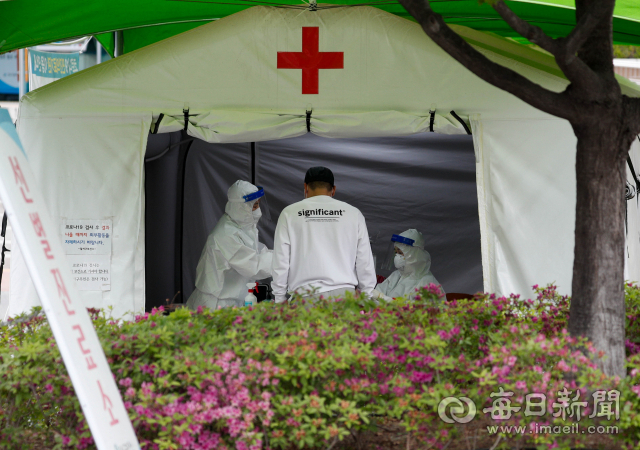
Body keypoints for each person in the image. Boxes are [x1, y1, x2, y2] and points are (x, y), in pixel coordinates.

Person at [271, 166, 377, 303]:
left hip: (305, 298)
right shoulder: (353, 213)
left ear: (306, 187)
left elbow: (281, 260)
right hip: (345, 298)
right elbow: (364, 260)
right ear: (333, 189)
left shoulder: (289, 213)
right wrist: (367, 295)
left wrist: (279, 298)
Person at [186, 180, 273, 310]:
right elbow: (253, 266)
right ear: (241, 207)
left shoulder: (239, 226)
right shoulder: (226, 234)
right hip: (216, 304)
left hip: (230, 300)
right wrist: (284, 257)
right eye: (254, 206)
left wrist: (279, 253)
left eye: (258, 205)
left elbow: (255, 251)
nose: (258, 210)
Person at [377, 229, 444, 298]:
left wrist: (380, 297)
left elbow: (412, 307)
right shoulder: (396, 275)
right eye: (396, 253)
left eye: (400, 253)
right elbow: (375, 294)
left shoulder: (428, 283)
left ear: (414, 255)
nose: (397, 256)